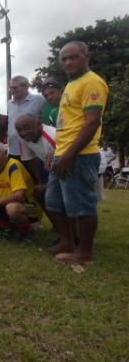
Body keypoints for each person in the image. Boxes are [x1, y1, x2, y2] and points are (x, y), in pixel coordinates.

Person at [46, 41, 109, 265]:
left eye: (73, 57)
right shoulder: (72, 84)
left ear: (86, 56)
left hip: (79, 154)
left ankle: (84, 253)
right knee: (53, 201)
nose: (68, 62)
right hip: (62, 152)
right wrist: (58, 153)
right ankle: (66, 242)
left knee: (82, 204)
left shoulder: (92, 82)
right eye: (64, 59)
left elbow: (92, 123)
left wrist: (70, 154)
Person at [15, 113, 57, 233]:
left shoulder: (53, 136)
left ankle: (74, 231)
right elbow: (31, 159)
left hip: (70, 166)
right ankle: (57, 224)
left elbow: (65, 160)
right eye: (19, 130)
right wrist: (40, 182)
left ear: (39, 124)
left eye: (27, 128)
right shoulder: (24, 139)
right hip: (51, 167)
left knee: (59, 197)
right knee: (39, 192)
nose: (23, 133)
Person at [7, 75, 45, 159]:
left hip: (34, 149)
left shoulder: (38, 100)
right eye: (11, 88)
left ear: (26, 87)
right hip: (14, 150)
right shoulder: (9, 103)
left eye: (15, 87)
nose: (12, 90)